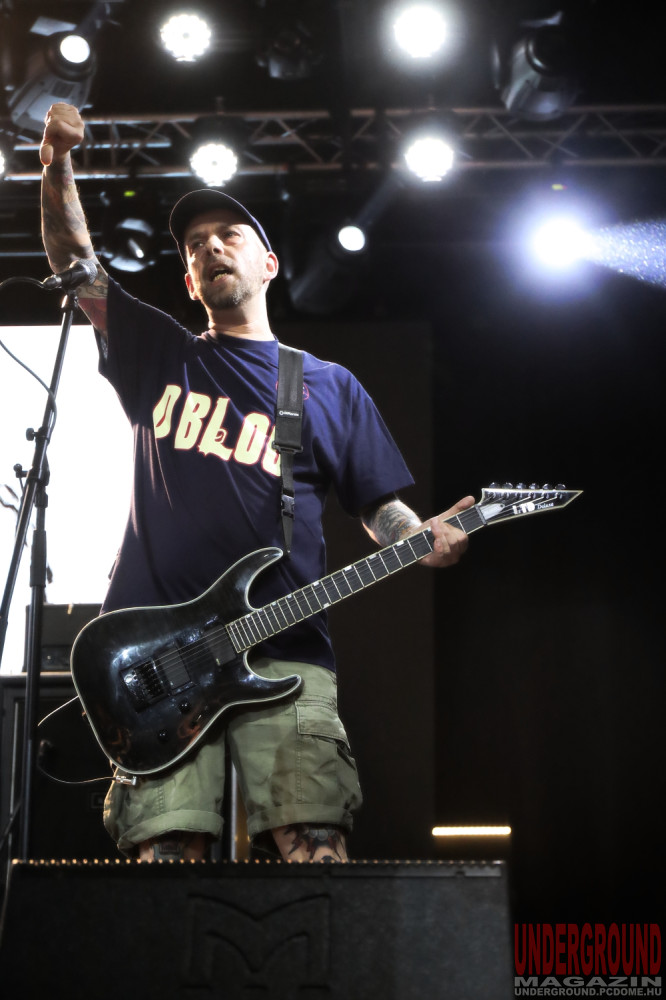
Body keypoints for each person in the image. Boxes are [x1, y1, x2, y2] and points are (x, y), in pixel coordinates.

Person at [39, 102, 473, 864]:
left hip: (286, 648)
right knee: (165, 862)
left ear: (268, 264)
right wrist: (56, 164)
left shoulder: (327, 387)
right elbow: (78, 263)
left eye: (229, 236)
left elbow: (382, 508)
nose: (211, 247)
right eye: (195, 245)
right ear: (188, 278)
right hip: (157, 660)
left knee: (317, 855)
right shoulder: (161, 355)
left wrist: (421, 538)